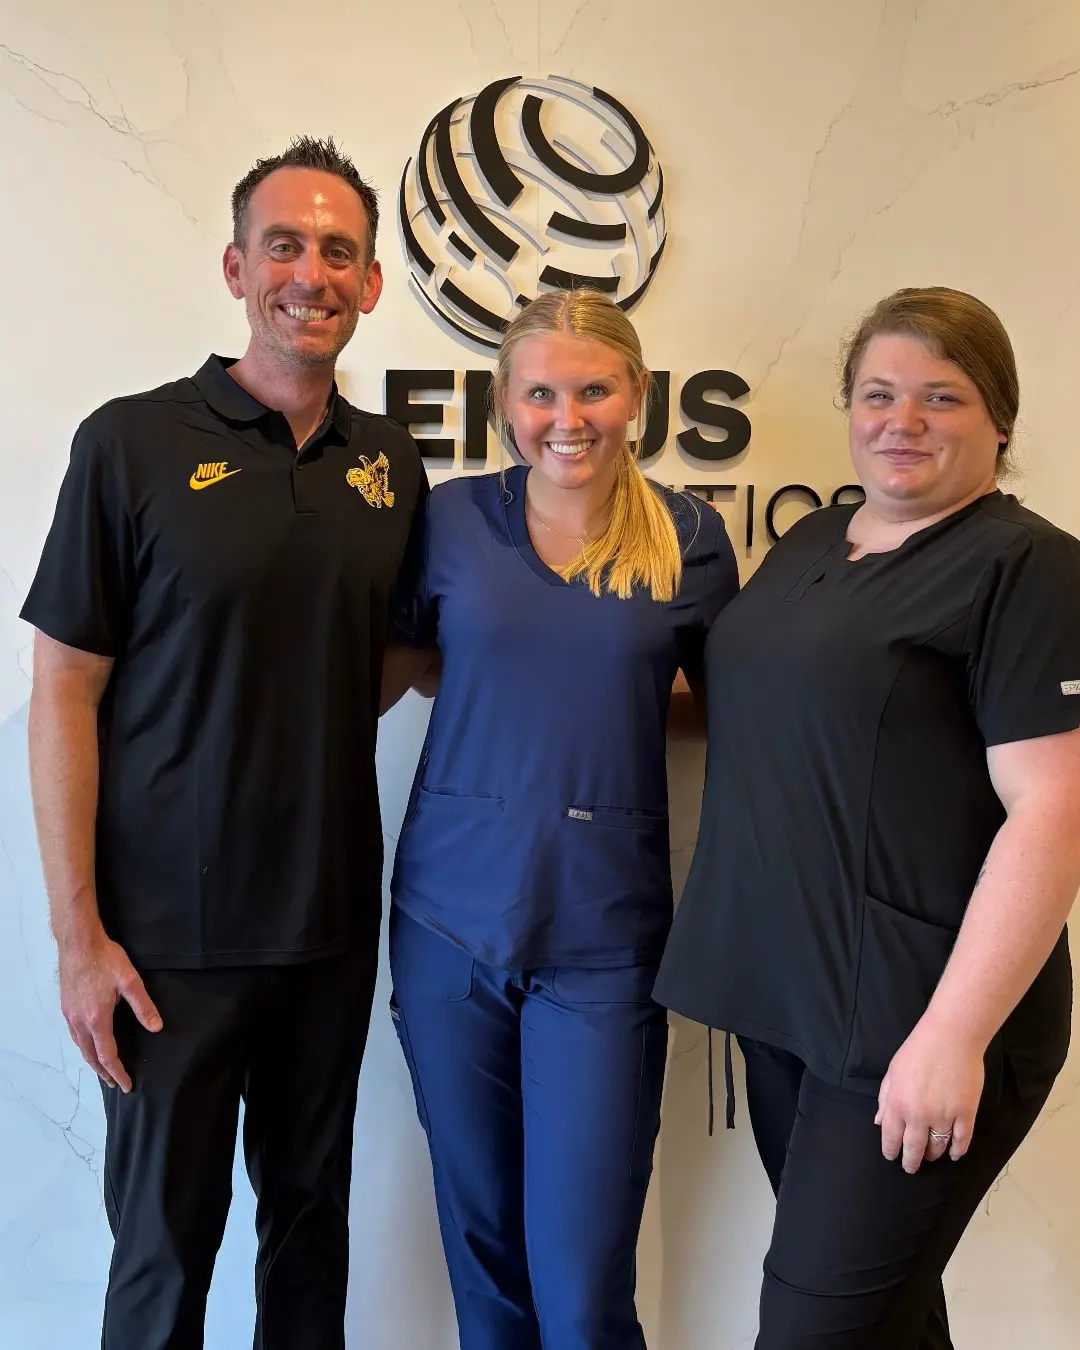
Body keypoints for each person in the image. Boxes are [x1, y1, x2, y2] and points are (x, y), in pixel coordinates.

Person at [20, 136, 426, 1350]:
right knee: (164, 1248)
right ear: (237, 267)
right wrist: (78, 937)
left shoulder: (392, 466)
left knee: (310, 1235)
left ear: (369, 285)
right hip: (165, 944)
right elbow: (63, 694)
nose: (311, 271)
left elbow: (395, 660)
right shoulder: (131, 444)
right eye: (285, 245)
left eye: (338, 251)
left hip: (330, 925)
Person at [654, 286, 1080, 1349]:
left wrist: (953, 1035)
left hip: (916, 1017)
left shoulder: (1027, 568)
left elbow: (1056, 810)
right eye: (880, 393)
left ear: (1002, 422)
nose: (905, 421)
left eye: (944, 397)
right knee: (881, 1319)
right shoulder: (811, 540)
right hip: (788, 999)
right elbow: (770, 703)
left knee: (808, 1327)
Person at [383, 289, 739, 1350]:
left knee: (583, 1297)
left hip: (601, 941)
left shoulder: (687, 537)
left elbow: (732, 707)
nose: (566, 415)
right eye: (540, 392)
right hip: (450, 922)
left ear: (636, 394)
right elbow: (410, 666)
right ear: (504, 402)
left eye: (592, 388)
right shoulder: (450, 521)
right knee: (486, 1271)